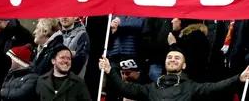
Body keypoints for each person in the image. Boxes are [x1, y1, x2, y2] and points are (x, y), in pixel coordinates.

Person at [99, 46, 249, 101]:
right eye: (169, 57)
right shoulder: (151, 87)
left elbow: (216, 87)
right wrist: (110, 70)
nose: (172, 60)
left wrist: (238, 78)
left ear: (184, 65)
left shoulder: (191, 87)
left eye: (177, 58)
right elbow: (126, 89)